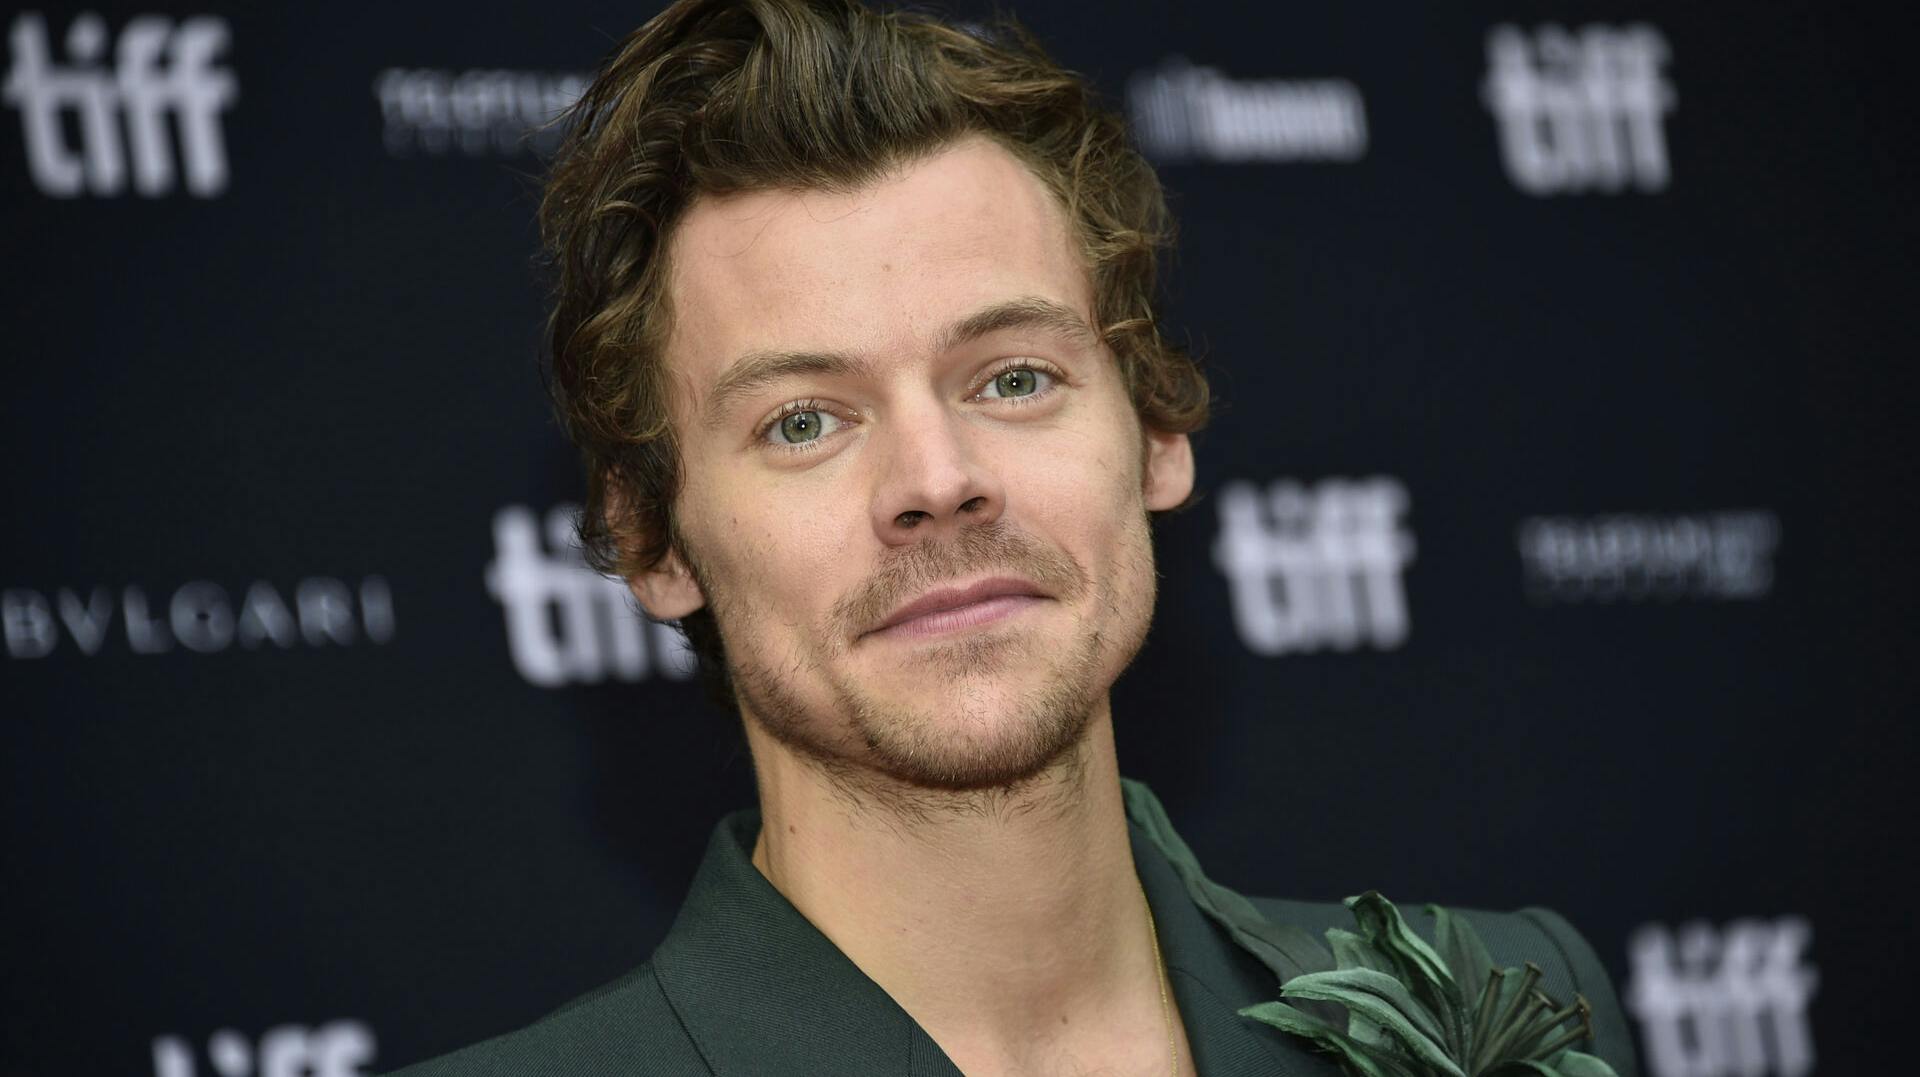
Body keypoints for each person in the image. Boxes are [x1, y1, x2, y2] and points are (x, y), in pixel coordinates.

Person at [395, 1, 1638, 1074]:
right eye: (806, 420)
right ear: (655, 540)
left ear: (1155, 428)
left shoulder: (1505, 1005)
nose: (937, 482)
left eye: (1014, 379)